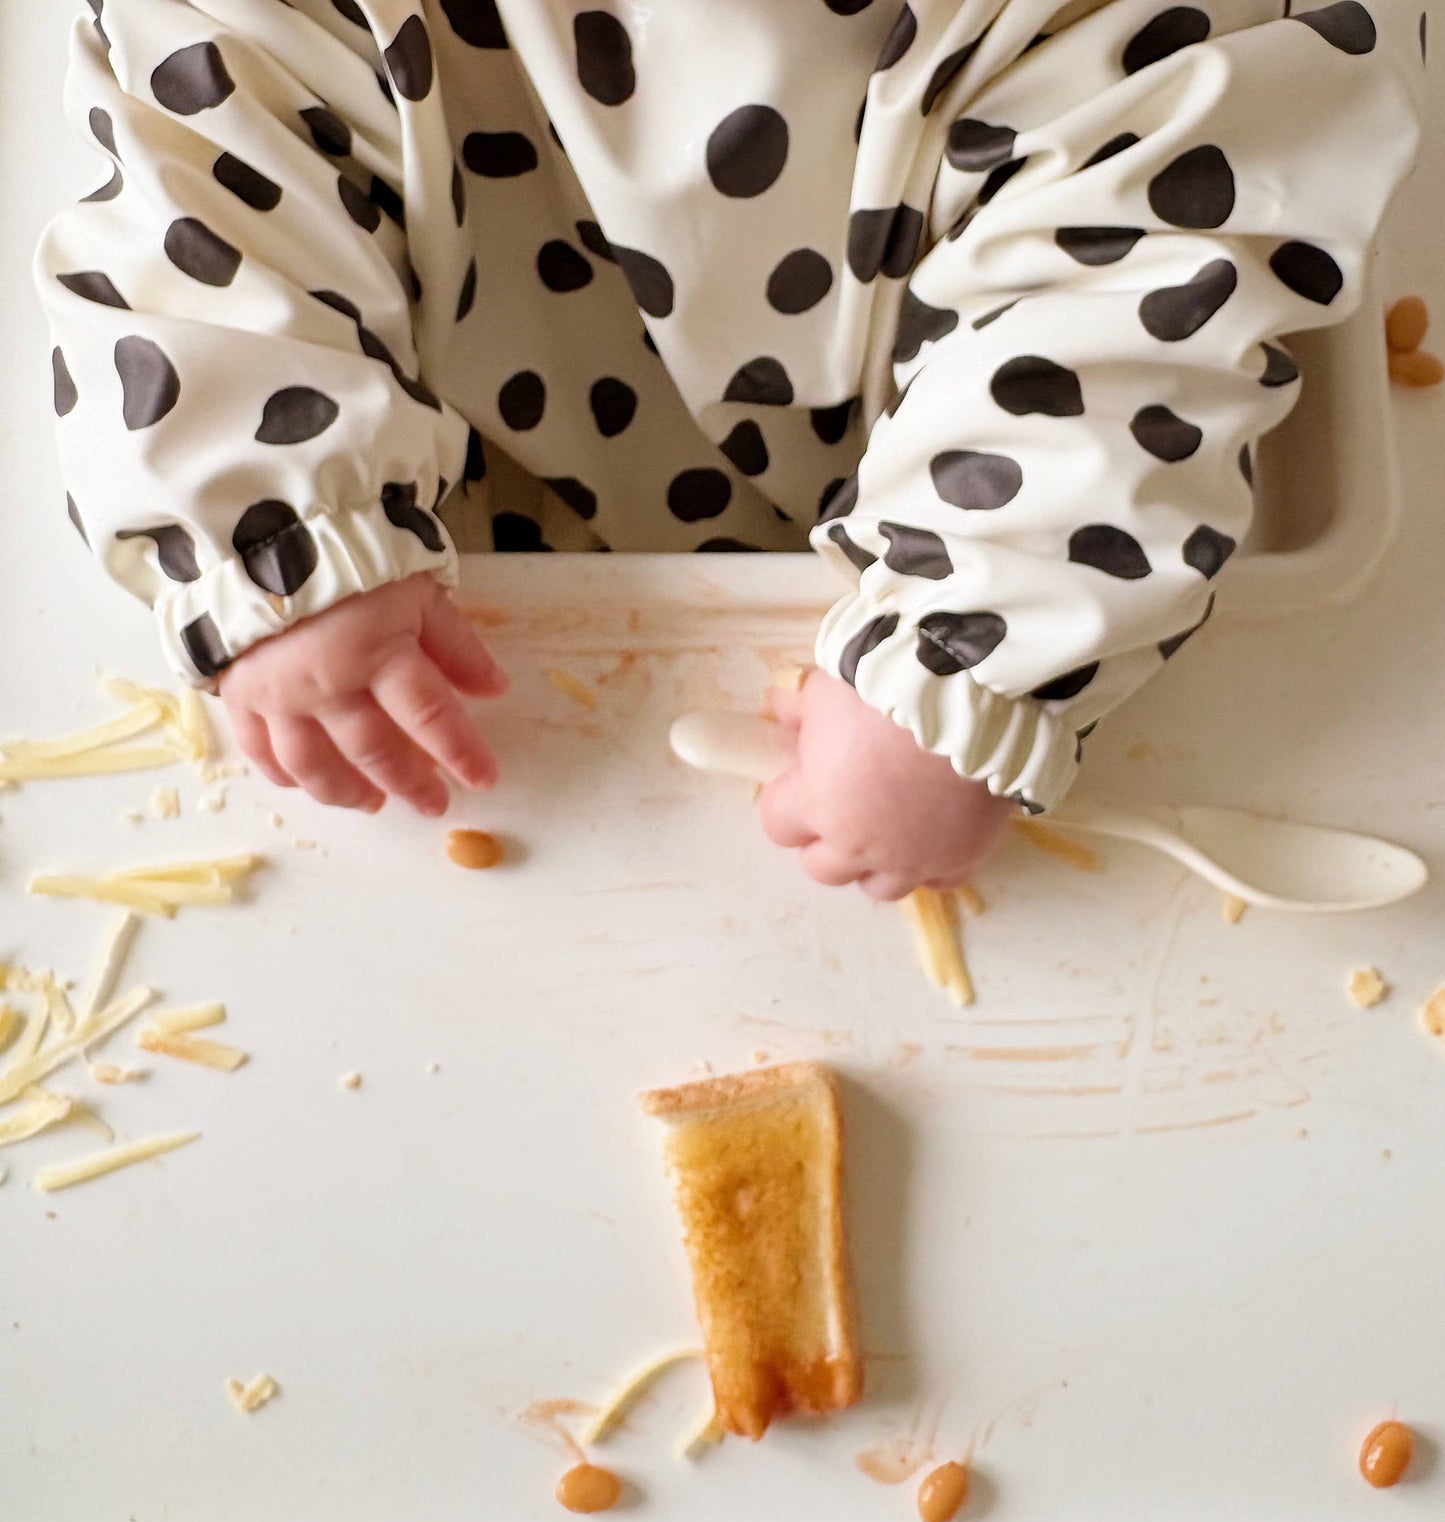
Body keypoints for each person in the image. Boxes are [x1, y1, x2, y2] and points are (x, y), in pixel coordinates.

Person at [37, 0, 1421, 899]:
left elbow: (1140, 248)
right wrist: (274, 532)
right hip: (482, 623)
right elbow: (209, 163)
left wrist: (973, 641)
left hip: (983, 482)